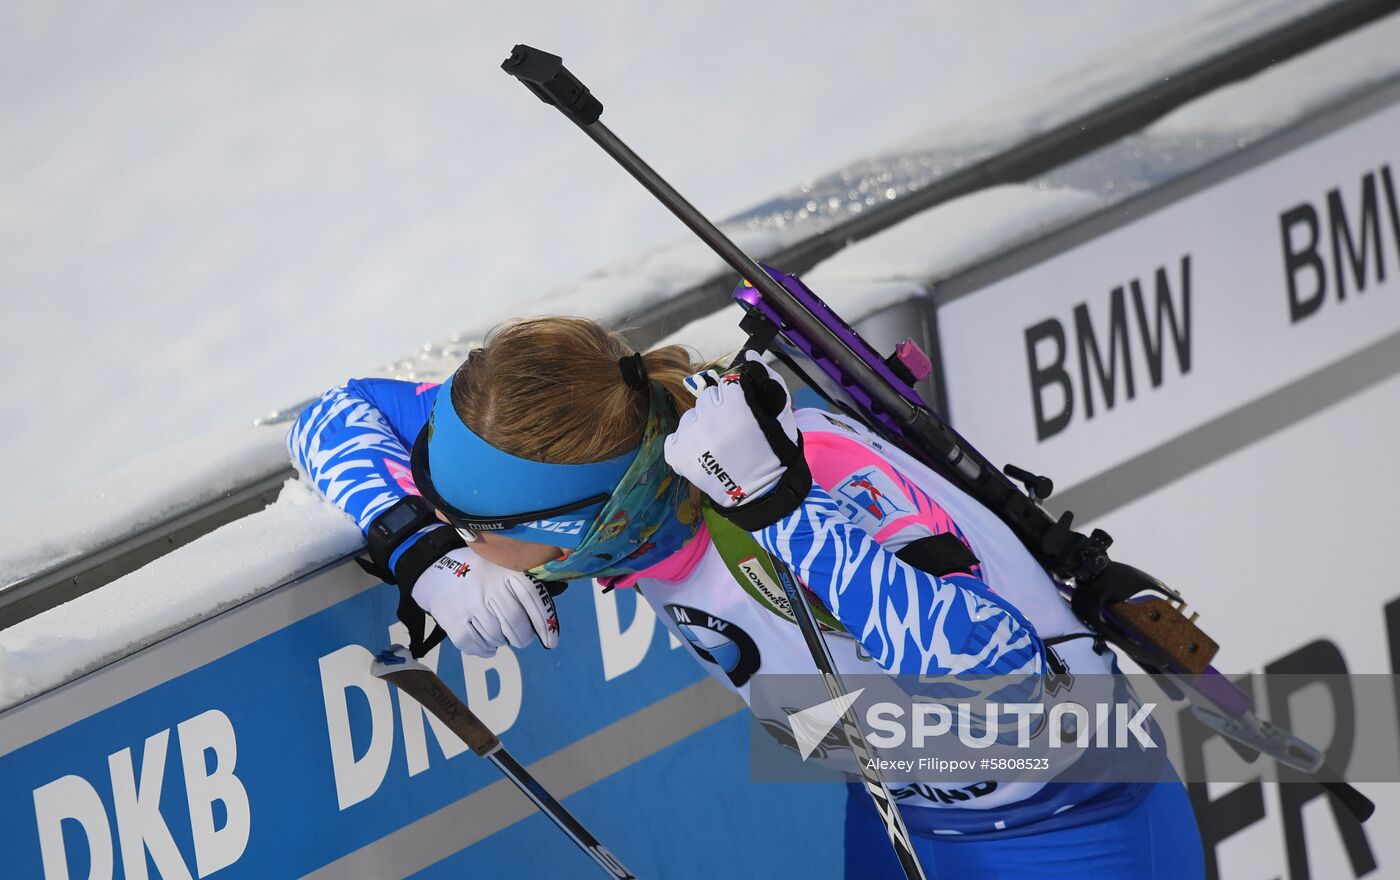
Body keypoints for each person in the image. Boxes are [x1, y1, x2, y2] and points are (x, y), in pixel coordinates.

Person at [287, 315, 1205, 878]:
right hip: (903, 813)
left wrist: (782, 511)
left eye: (470, 521)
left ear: (583, 525)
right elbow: (330, 414)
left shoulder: (802, 481)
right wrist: (418, 546)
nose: (461, 529)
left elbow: (1010, 685)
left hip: (1073, 827)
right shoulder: (602, 444)